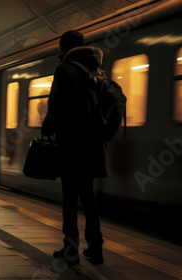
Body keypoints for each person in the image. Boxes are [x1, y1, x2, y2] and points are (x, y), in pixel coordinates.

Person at [41, 30, 107, 266]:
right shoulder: (96, 71)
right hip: (93, 146)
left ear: (63, 48)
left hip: (72, 145)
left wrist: (46, 127)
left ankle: (70, 251)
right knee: (89, 198)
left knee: (70, 199)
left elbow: (55, 105)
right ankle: (96, 248)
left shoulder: (64, 70)